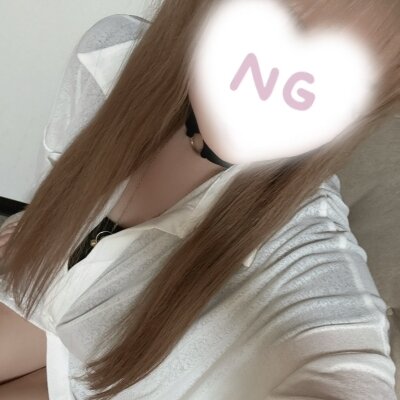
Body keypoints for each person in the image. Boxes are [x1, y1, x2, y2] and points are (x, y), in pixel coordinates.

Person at [0, 1, 399, 399]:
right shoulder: (110, 59)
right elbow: (65, 177)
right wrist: (41, 226)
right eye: (290, 25)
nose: (286, 85)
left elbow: (345, 368)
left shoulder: (305, 247)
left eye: (346, 80)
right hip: (51, 308)